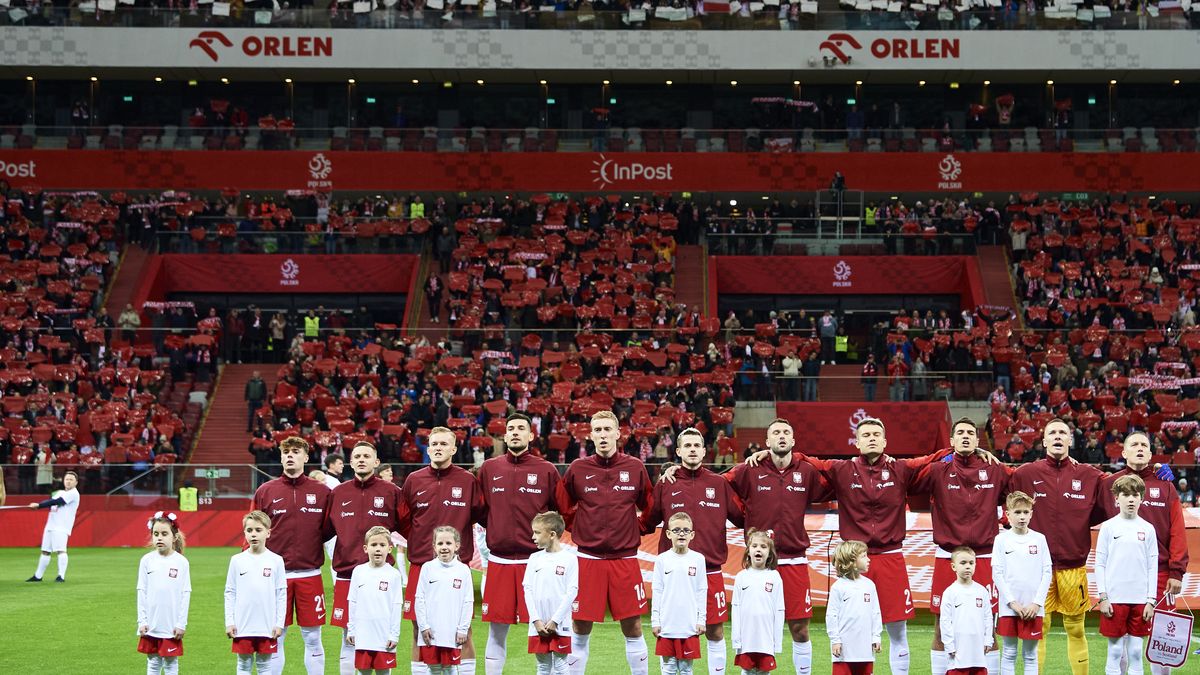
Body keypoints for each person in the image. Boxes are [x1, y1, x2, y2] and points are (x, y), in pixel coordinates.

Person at [745, 417, 988, 675]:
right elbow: (805, 459)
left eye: (876, 435)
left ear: (884, 442)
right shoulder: (841, 470)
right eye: (866, 435)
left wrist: (966, 450)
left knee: (897, 629)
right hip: (852, 561)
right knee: (848, 629)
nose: (871, 438)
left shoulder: (901, 469)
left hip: (890, 557)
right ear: (857, 442)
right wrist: (769, 453)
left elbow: (931, 459)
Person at [724, 418, 831, 675]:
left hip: (794, 562)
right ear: (767, 441)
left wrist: (803, 457)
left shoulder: (805, 471)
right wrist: (742, 518)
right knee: (754, 627)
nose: (781, 436)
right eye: (776, 433)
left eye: (786, 432)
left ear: (793, 442)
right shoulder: (749, 469)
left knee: (800, 629)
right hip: (758, 566)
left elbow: (835, 478)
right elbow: (717, 485)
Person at [555, 410, 652, 675]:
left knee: (632, 625)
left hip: (625, 560)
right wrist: (580, 526)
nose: (602, 435)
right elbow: (564, 506)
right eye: (597, 430)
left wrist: (638, 526)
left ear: (618, 433)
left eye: (607, 429)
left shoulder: (635, 467)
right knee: (580, 625)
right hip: (588, 559)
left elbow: (650, 506)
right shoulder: (578, 468)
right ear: (591, 434)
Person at [1009, 418, 1105, 675]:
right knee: (1039, 627)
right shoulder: (1025, 474)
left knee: (1076, 628)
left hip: (1074, 568)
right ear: (1044, 441)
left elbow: (1122, 489)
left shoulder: (1091, 476)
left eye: (1063, 432)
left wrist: (1154, 472)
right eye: (1053, 432)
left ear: (1070, 440)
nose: (1058, 436)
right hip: (1037, 568)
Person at [912, 418, 1007, 675]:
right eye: (960, 433)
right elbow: (905, 475)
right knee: (941, 627)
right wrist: (943, 455)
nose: (965, 436)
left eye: (970, 433)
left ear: (978, 442)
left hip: (985, 557)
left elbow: (1022, 488)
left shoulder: (995, 469)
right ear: (952, 441)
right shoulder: (937, 470)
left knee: (990, 626)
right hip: (947, 556)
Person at [645, 428, 744, 675]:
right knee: (669, 630)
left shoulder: (718, 483)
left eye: (696, 445)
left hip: (710, 571)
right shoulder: (666, 483)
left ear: (703, 450)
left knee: (715, 631)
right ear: (678, 451)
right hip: (674, 574)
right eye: (686, 445)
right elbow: (647, 520)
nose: (692, 449)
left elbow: (742, 517)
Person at [477, 413, 562, 675]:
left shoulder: (546, 469)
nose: (515, 432)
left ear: (531, 435)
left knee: (546, 630)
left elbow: (559, 512)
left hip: (536, 562)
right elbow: (481, 510)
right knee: (496, 630)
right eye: (510, 428)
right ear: (504, 435)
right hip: (499, 562)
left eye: (521, 428)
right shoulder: (489, 469)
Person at [1101, 431, 1189, 670]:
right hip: (1121, 575)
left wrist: (1176, 572)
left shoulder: (1165, 485)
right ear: (1123, 452)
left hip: (1160, 574)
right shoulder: (1109, 484)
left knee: (1163, 640)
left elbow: (1178, 531)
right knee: (1123, 641)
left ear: (1150, 454)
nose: (1139, 448)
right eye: (1134, 444)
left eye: (1144, 445)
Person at [399, 427, 483, 675]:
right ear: (428, 447)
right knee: (418, 626)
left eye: (444, 444)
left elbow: (477, 514)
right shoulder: (414, 480)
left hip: (457, 567)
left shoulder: (467, 481)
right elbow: (405, 520)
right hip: (420, 565)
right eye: (433, 443)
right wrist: (420, 541)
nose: (438, 448)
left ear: (454, 449)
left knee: (463, 628)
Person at [323, 441, 405, 675]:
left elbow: (409, 526)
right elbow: (324, 530)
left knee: (381, 634)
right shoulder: (338, 493)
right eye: (356, 456)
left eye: (366, 456)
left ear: (376, 462)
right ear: (351, 462)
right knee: (348, 637)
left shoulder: (391, 492)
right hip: (348, 575)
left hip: (381, 576)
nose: (361, 459)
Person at [252, 436, 332, 675]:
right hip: (276, 576)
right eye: (286, 452)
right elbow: (251, 530)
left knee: (313, 636)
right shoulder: (266, 491)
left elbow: (329, 529)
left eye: (296, 451)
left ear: (306, 457)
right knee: (277, 633)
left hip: (311, 574)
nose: (290, 455)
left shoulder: (322, 492)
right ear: (280, 457)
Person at [1096, 475, 1158, 675]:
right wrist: (1103, 597)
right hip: (1114, 599)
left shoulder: (1148, 529)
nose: (1131, 499)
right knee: (1114, 651)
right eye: (1126, 495)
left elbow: (1152, 566)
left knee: (1136, 651)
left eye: (1135, 495)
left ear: (1141, 499)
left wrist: (1151, 600)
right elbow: (1100, 563)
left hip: (1140, 599)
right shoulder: (1108, 527)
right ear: (1117, 498)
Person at [992, 491, 1051, 675]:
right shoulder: (1001, 540)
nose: (1022, 517)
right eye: (1017, 512)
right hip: (1009, 607)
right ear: (1007, 514)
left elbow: (1047, 572)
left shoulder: (1039, 539)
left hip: (1034, 607)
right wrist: (1012, 602)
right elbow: (997, 573)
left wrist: (1037, 603)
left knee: (1031, 655)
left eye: (1026, 512)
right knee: (1009, 653)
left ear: (1032, 513)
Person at [224, 510, 287, 675]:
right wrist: (230, 622)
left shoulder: (276, 560)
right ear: (244, 532)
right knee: (243, 665)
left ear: (268, 532)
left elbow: (281, 594)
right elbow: (230, 592)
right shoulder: (237, 561)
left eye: (258, 530)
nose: (254, 534)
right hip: (242, 625)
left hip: (266, 625)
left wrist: (279, 623)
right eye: (249, 530)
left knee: (265, 666)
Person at [650, 513, 708, 675]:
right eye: (676, 530)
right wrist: (655, 620)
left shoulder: (698, 559)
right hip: (667, 625)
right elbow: (657, 591)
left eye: (685, 530)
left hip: (689, 626)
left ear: (692, 534)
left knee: (686, 669)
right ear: (668, 534)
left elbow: (701, 591)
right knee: (668, 669)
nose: (681, 533)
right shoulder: (662, 560)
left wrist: (701, 619)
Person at [522, 511, 578, 675]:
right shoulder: (534, 558)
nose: (533, 537)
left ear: (552, 534)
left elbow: (572, 591)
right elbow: (528, 589)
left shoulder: (570, 559)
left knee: (561, 665)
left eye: (537, 532)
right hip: (538, 623)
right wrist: (535, 620)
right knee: (542, 666)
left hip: (560, 623)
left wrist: (555, 620)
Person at [414, 526, 475, 675]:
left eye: (448, 543)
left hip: (452, 631)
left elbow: (468, 601)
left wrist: (463, 629)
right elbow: (419, 599)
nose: (444, 547)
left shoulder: (463, 570)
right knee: (433, 668)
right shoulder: (427, 568)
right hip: (431, 631)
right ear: (434, 547)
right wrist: (423, 626)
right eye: (440, 544)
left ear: (457, 546)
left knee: (450, 668)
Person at [138, 512, 191, 675]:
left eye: (164, 534)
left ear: (174, 537)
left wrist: (181, 623)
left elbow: (185, 594)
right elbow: (141, 591)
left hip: (171, 624)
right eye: (156, 534)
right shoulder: (146, 560)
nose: (159, 537)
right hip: (151, 623)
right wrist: (142, 620)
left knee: (170, 663)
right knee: (153, 663)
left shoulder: (181, 562)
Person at [347, 526, 405, 675]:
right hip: (363, 634)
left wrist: (394, 634)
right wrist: (351, 629)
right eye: (373, 545)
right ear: (366, 548)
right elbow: (352, 602)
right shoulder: (358, 571)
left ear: (390, 548)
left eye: (382, 545)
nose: (377, 549)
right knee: (363, 672)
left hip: (384, 635)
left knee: (383, 672)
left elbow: (396, 606)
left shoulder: (394, 575)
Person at [731, 529, 785, 675]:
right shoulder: (741, 577)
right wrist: (736, 639)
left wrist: (777, 641)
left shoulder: (774, 577)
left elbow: (779, 610)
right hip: (746, 638)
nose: (758, 549)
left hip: (766, 639)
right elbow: (735, 609)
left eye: (763, 546)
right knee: (746, 670)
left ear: (769, 553)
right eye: (754, 546)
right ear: (748, 551)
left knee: (763, 671)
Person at [826, 540, 882, 675]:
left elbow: (875, 613)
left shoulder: (869, 585)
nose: (868, 559)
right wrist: (835, 640)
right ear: (851, 560)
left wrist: (876, 636)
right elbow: (831, 615)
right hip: (844, 652)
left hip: (865, 651)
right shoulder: (838, 587)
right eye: (863, 556)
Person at [940, 547, 995, 675]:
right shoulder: (950, 592)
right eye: (963, 563)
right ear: (954, 567)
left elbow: (988, 618)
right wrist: (949, 644)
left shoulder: (982, 591)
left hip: (978, 653)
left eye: (971, 563)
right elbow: (945, 621)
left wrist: (988, 639)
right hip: (958, 652)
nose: (968, 566)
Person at [26, 470, 81, 583]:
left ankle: (61, 576)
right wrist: (39, 505)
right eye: (67, 479)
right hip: (50, 525)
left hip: (61, 526)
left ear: (76, 482)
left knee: (61, 550)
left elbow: (58, 502)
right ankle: (38, 576)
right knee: (45, 551)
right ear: (63, 481)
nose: (68, 481)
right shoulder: (59, 492)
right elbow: (51, 500)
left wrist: (39, 505)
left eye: (71, 480)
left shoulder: (74, 493)